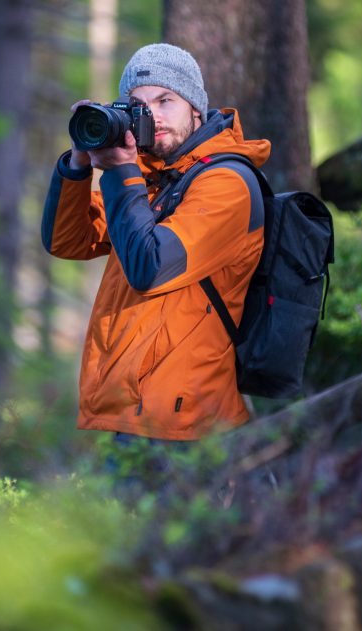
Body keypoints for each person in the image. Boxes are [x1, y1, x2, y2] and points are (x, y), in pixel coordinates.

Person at [41, 43, 271, 442]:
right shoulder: (151, 179)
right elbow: (68, 240)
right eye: (139, 105)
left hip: (186, 423)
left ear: (195, 108)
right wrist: (78, 163)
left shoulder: (227, 184)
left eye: (166, 100)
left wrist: (121, 171)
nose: (154, 117)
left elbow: (151, 266)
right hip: (135, 411)